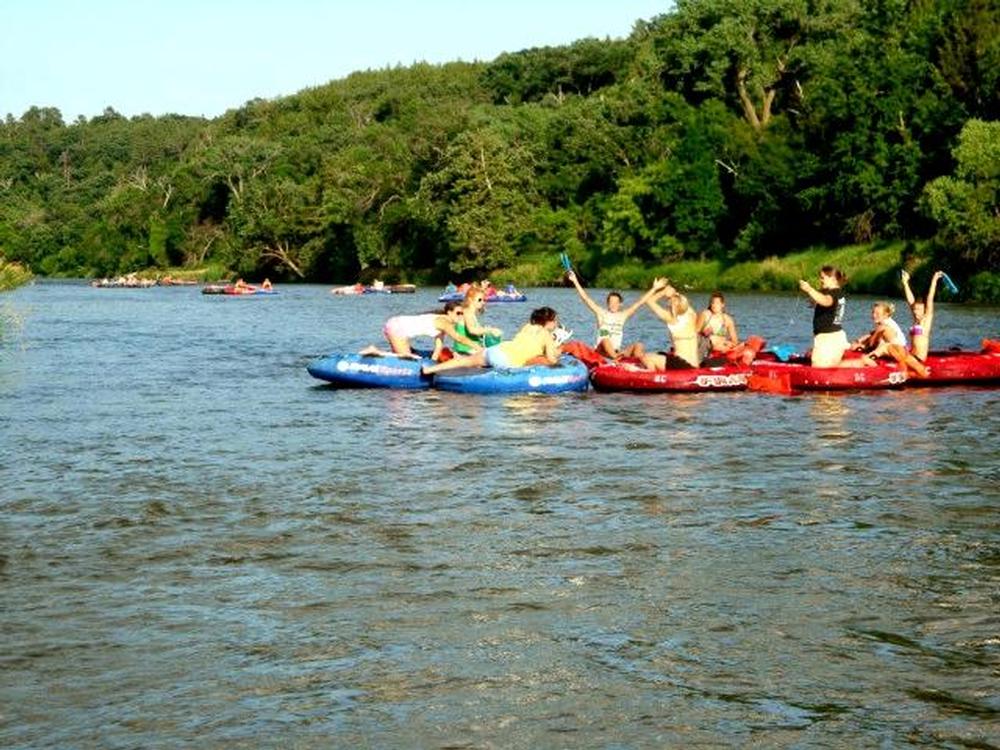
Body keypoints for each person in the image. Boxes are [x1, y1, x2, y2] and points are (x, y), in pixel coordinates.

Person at [422, 307, 562, 375]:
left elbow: (524, 344)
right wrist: (558, 352)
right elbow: (551, 360)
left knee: (466, 361)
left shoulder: (528, 326)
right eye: (555, 320)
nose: (556, 323)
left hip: (497, 350)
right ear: (548, 322)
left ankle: (430, 369)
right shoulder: (546, 335)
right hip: (507, 362)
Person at [566, 271, 662, 359]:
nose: (613, 304)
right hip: (601, 351)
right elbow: (586, 298)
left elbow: (640, 302)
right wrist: (575, 281)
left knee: (638, 345)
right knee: (606, 339)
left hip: (616, 351)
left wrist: (654, 288)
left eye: (616, 302)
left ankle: (642, 365)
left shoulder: (623, 315)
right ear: (607, 303)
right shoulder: (601, 313)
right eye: (611, 302)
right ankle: (617, 360)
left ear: (620, 304)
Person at [360, 301, 480, 361]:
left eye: (462, 314)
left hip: (396, 325)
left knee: (398, 358)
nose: (460, 316)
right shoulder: (444, 322)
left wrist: (432, 364)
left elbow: (438, 348)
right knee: (406, 358)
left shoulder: (443, 324)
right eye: (458, 313)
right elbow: (459, 338)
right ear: (449, 312)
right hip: (398, 327)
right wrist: (478, 347)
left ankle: (377, 356)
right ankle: (374, 351)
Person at [851, 300, 929, 376]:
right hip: (896, 350)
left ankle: (871, 363)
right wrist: (859, 341)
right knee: (877, 347)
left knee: (877, 350)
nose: (874, 315)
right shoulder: (886, 322)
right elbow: (872, 334)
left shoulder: (884, 326)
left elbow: (872, 341)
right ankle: (871, 359)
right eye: (873, 312)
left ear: (886, 315)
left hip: (898, 351)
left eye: (877, 313)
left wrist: (863, 346)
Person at [640, 279, 700, 369]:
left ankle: (650, 374)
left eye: (673, 301)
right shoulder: (691, 315)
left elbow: (649, 301)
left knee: (646, 357)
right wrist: (673, 293)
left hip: (682, 365)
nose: (672, 302)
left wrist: (662, 291)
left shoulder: (670, 318)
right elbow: (684, 303)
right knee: (658, 354)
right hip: (694, 365)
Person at [799, 266, 849, 367]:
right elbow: (822, 301)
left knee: (819, 368)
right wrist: (814, 298)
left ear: (833, 279)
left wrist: (809, 290)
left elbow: (826, 301)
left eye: (823, 278)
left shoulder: (834, 294)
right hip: (834, 336)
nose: (820, 280)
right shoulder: (836, 293)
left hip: (828, 338)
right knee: (831, 366)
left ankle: (862, 364)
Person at [901, 269, 943, 363]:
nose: (916, 312)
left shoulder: (926, 319)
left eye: (919, 310)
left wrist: (934, 280)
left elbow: (930, 298)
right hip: (911, 356)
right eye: (915, 309)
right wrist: (905, 283)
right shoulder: (916, 319)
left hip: (919, 359)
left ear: (924, 310)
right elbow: (910, 300)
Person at [453, 287, 503, 355]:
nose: (482, 302)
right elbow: (472, 330)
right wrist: (489, 330)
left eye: (483, 300)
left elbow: (476, 332)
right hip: (465, 350)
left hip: (471, 349)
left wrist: (484, 332)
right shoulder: (467, 312)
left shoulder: (471, 314)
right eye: (479, 300)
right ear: (470, 299)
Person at [697, 292, 740, 361]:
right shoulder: (705, 314)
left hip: (723, 346)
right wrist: (703, 332)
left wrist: (728, 343)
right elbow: (694, 333)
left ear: (722, 305)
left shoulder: (727, 319)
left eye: (717, 303)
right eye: (712, 303)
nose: (714, 305)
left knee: (744, 347)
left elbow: (735, 340)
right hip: (708, 345)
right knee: (713, 342)